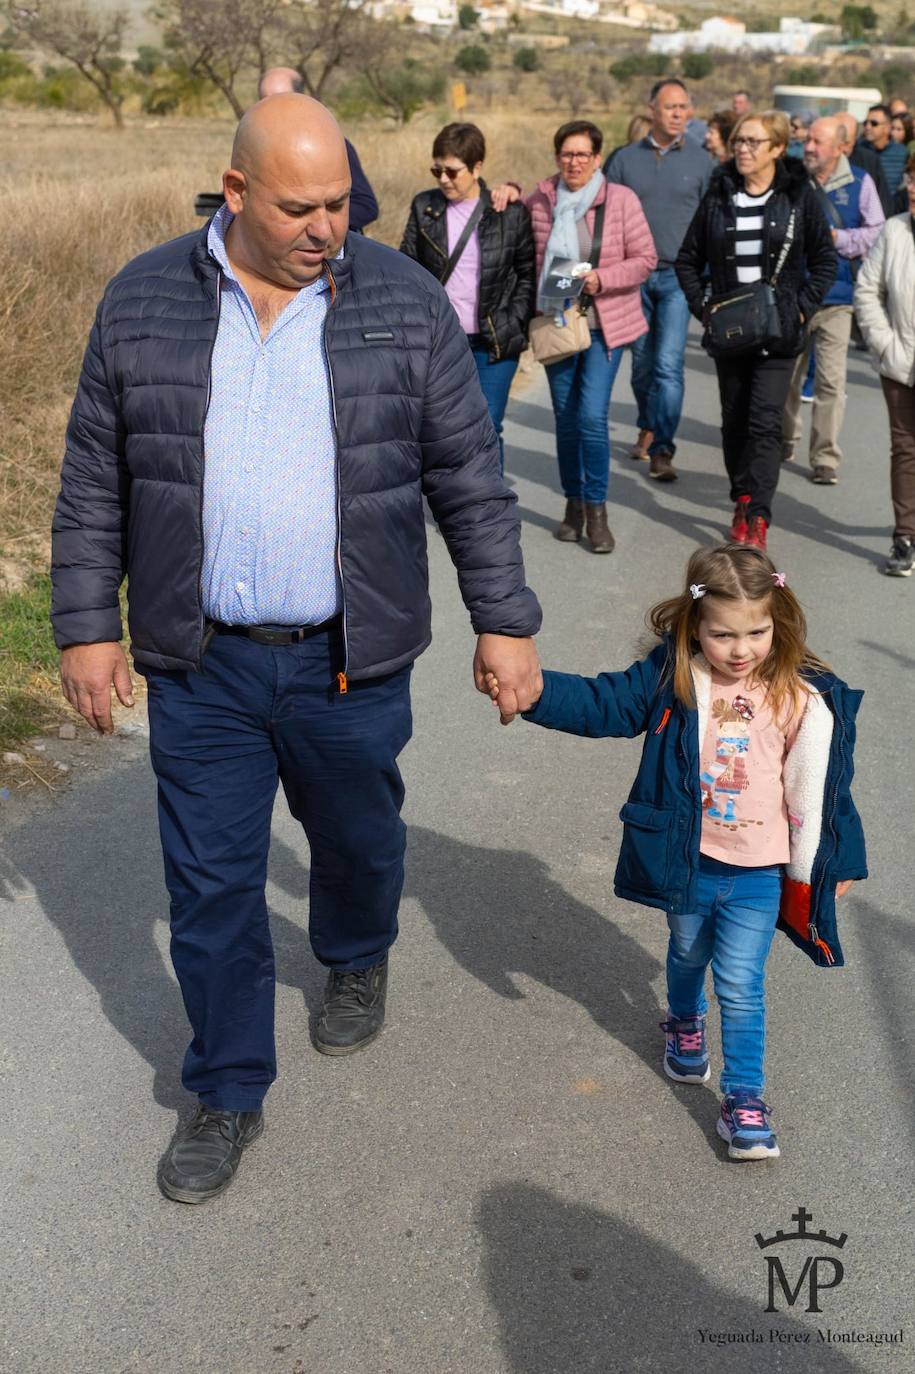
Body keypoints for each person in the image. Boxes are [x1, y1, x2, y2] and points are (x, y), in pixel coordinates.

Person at [50, 94, 543, 1203]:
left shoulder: (403, 302)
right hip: (201, 660)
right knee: (211, 885)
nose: (329, 226)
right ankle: (226, 1089)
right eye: (300, 207)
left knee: (359, 841)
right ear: (234, 194)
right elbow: (93, 478)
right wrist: (86, 624)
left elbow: (470, 476)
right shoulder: (143, 300)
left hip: (347, 659)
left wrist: (505, 619)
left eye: (339, 202)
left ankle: (356, 950)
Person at [484, 542, 866, 1160]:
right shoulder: (676, 676)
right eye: (722, 634)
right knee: (688, 952)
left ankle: (745, 1099)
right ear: (694, 625)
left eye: (756, 632)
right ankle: (684, 1022)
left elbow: (824, 787)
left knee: (742, 983)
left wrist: (839, 859)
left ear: (778, 620)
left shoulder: (799, 695)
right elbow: (604, 704)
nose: (741, 649)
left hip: (758, 872)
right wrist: (530, 692)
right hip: (687, 860)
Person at [675, 110, 837, 550]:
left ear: (778, 149)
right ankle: (742, 496)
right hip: (730, 333)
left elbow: (824, 260)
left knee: (766, 423)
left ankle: (759, 516)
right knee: (735, 423)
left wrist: (801, 309)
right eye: (738, 141)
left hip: (779, 333)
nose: (742, 149)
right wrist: (704, 308)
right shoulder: (718, 196)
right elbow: (688, 260)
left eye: (753, 142)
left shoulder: (799, 197)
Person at [524, 120, 656, 551]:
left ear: (598, 158)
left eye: (583, 154)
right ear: (557, 156)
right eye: (567, 153)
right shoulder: (541, 200)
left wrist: (604, 278)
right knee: (565, 419)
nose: (574, 162)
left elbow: (645, 259)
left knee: (591, 418)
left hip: (604, 325)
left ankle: (598, 511)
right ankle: (573, 503)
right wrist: (505, 189)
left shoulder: (620, 200)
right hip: (558, 324)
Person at [399, 122, 535, 472]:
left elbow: (525, 274)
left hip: (493, 342)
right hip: (442, 342)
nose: (443, 179)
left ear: (477, 168)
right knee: (446, 430)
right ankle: (458, 507)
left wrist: (514, 320)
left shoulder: (509, 212)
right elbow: (407, 269)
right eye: (436, 170)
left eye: (452, 171)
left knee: (487, 425)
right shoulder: (424, 207)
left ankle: (490, 513)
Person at [607, 78, 713, 480]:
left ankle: (663, 448)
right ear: (652, 109)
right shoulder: (624, 160)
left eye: (684, 107)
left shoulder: (703, 162)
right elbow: (603, 210)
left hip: (676, 279)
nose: (678, 114)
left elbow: (712, 222)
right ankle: (648, 424)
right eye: (670, 107)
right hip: (632, 278)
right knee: (642, 366)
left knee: (669, 364)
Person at [782, 116, 884, 484]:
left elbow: (876, 232)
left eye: (818, 142)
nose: (809, 147)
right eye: (808, 139)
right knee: (789, 376)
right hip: (793, 296)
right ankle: (783, 438)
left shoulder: (861, 182)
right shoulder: (791, 178)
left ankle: (825, 457)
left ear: (841, 147)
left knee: (830, 381)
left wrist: (837, 238)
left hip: (838, 298)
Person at [854, 152, 915, 577]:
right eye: (911, 177)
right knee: (906, 450)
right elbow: (867, 291)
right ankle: (905, 537)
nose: (912, 186)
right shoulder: (895, 231)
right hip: (902, 362)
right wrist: (886, 344)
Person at [258, 66, 378, 232]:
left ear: (301, 99)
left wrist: (311, 223)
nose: (271, 108)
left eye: (281, 100)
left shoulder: (329, 143)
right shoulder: (256, 148)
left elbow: (366, 206)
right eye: (264, 101)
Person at [837, 112, 892, 217]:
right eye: (838, 142)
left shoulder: (869, 160)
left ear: (854, 140)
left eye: (847, 143)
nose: (842, 149)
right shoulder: (816, 160)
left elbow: (883, 203)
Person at [860, 103, 908, 200]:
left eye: (874, 123)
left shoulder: (902, 153)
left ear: (887, 127)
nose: (868, 127)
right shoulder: (858, 150)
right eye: (866, 123)